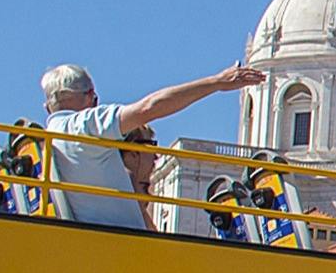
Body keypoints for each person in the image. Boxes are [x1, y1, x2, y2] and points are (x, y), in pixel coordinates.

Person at [37, 60, 260, 229]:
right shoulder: (85, 124)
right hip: (125, 246)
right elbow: (149, 107)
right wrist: (217, 82)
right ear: (91, 97)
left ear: (48, 107)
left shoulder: (46, 141)